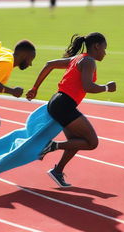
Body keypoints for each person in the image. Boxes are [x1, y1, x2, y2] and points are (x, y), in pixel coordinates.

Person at [26, 32, 116, 187]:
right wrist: (107, 88)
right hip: (64, 104)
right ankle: (51, 146)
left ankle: (58, 171)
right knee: (91, 142)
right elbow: (88, 87)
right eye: (104, 49)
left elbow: (49, 64)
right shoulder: (88, 61)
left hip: (58, 101)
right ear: (96, 46)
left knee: (76, 141)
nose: (105, 53)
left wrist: (35, 88)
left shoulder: (78, 58)